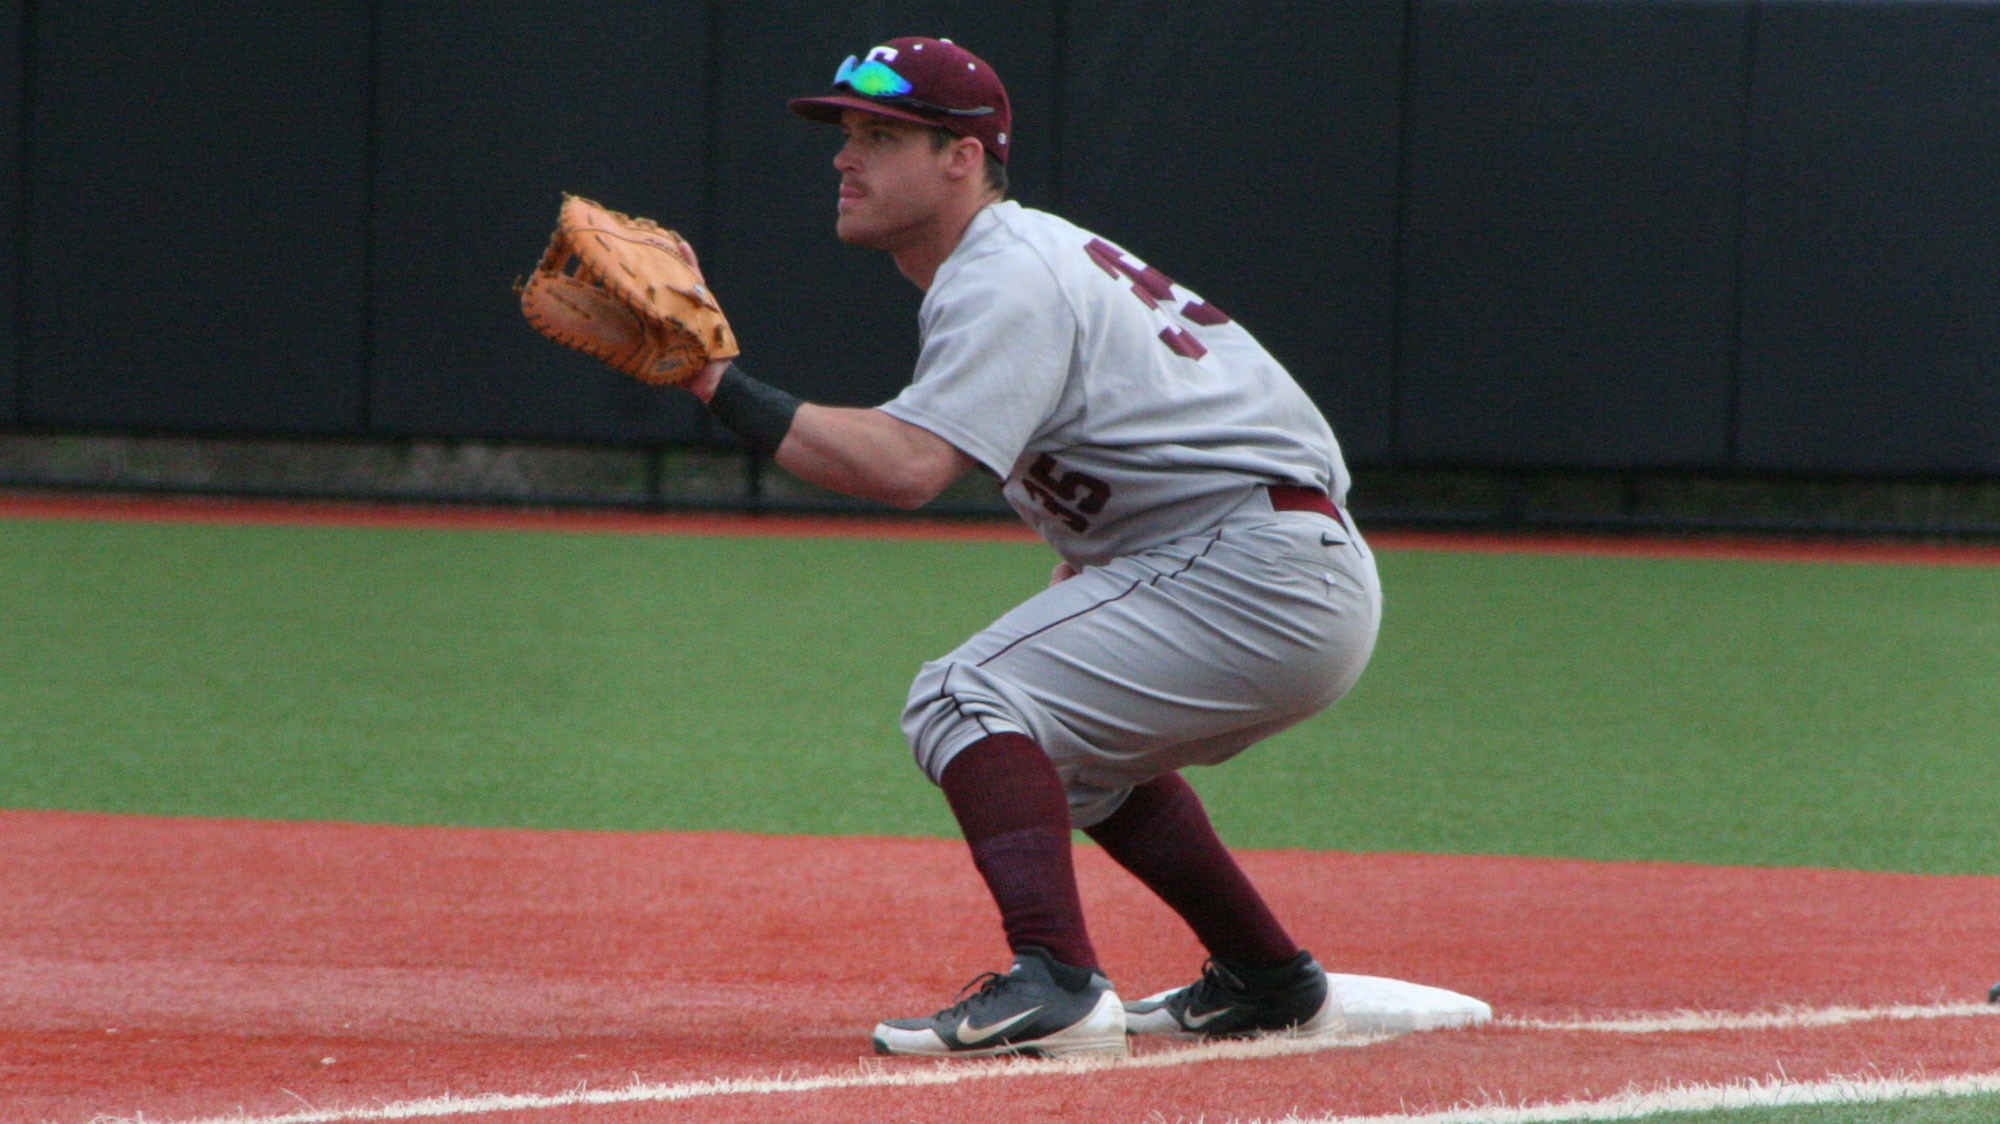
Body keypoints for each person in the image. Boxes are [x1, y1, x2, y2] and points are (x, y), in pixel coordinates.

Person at [681, 36, 1382, 1059]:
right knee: (1068, 751)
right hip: (1275, 560)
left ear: (963, 156)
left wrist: (711, 380)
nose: (845, 157)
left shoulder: (1004, 272)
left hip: (1256, 567)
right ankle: (1268, 976)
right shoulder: (1026, 260)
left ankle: (1055, 977)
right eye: (845, 134)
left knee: (961, 696)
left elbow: (904, 466)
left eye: (881, 135)